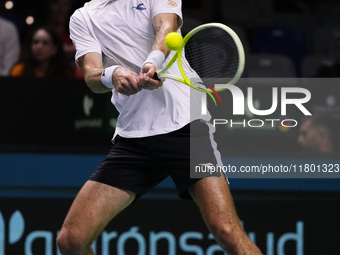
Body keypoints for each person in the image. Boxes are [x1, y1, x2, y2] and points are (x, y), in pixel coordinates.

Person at [56, 1, 262, 255]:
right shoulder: (83, 17)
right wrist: (113, 75)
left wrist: (152, 62)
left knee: (226, 231)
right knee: (71, 241)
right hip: (134, 135)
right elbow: (91, 75)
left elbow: (166, 27)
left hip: (185, 125)